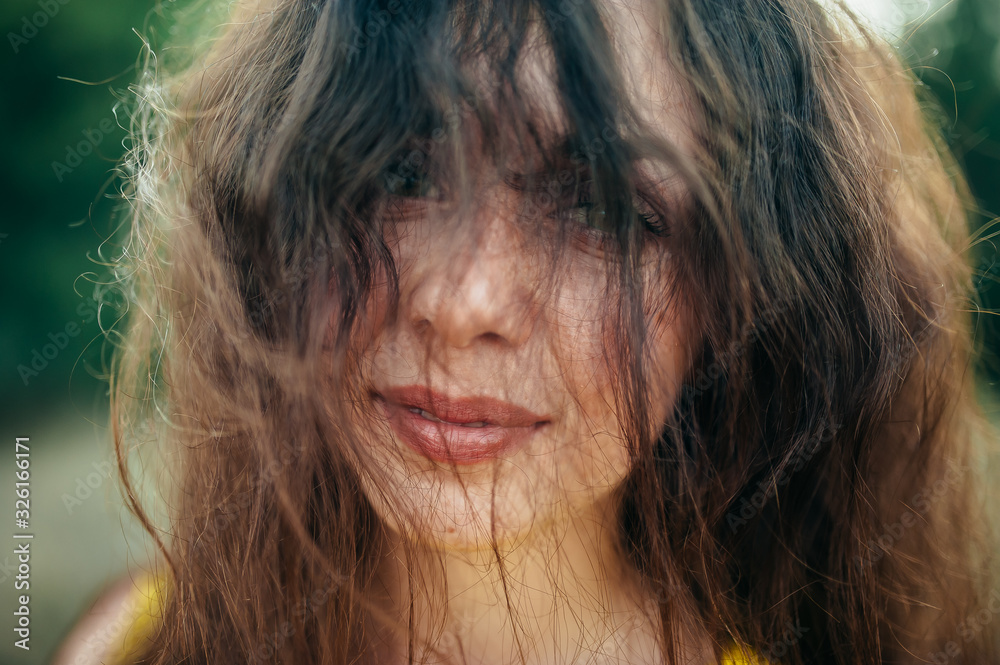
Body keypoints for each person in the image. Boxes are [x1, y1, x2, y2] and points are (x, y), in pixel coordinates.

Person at [53, 0, 1000, 663]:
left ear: (741, 294)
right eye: (398, 171)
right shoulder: (134, 645)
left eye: (600, 208)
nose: (461, 302)